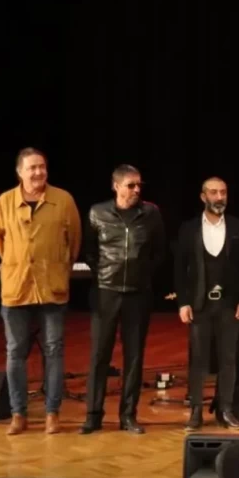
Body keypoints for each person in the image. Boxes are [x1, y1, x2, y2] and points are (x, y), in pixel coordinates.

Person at [0, 148, 81, 435]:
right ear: (20, 172)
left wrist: (57, 269)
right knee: (15, 351)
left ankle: (52, 412)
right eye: (32, 168)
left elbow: (74, 243)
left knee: (54, 350)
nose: (38, 172)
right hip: (16, 288)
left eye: (42, 166)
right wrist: (20, 265)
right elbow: (0, 243)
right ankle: (18, 413)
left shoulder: (63, 200)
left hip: (52, 288)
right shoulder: (4, 202)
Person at [81, 164, 166, 435]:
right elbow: (89, 251)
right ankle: (93, 415)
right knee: (99, 355)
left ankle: (128, 415)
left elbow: (159, 251)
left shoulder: (151, 213)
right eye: (131, 185)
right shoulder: (98, 212)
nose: (137, 190)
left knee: (134, 356)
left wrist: (143, 275)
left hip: (138, 295)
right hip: (106, 292)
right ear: (116, 186)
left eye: (139, 185)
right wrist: (104, 274)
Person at [175, 178, 239, 431]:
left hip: (229, 304)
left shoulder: (238, 227)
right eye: (214, 192)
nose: (219, 197)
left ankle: (225, 409)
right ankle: (196, 411)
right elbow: (180, 268)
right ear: (203, 196)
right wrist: (183, 302)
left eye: (223, 192)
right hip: (199, 304)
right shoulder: (189, 228)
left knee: (228, 358)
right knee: (198, 359)